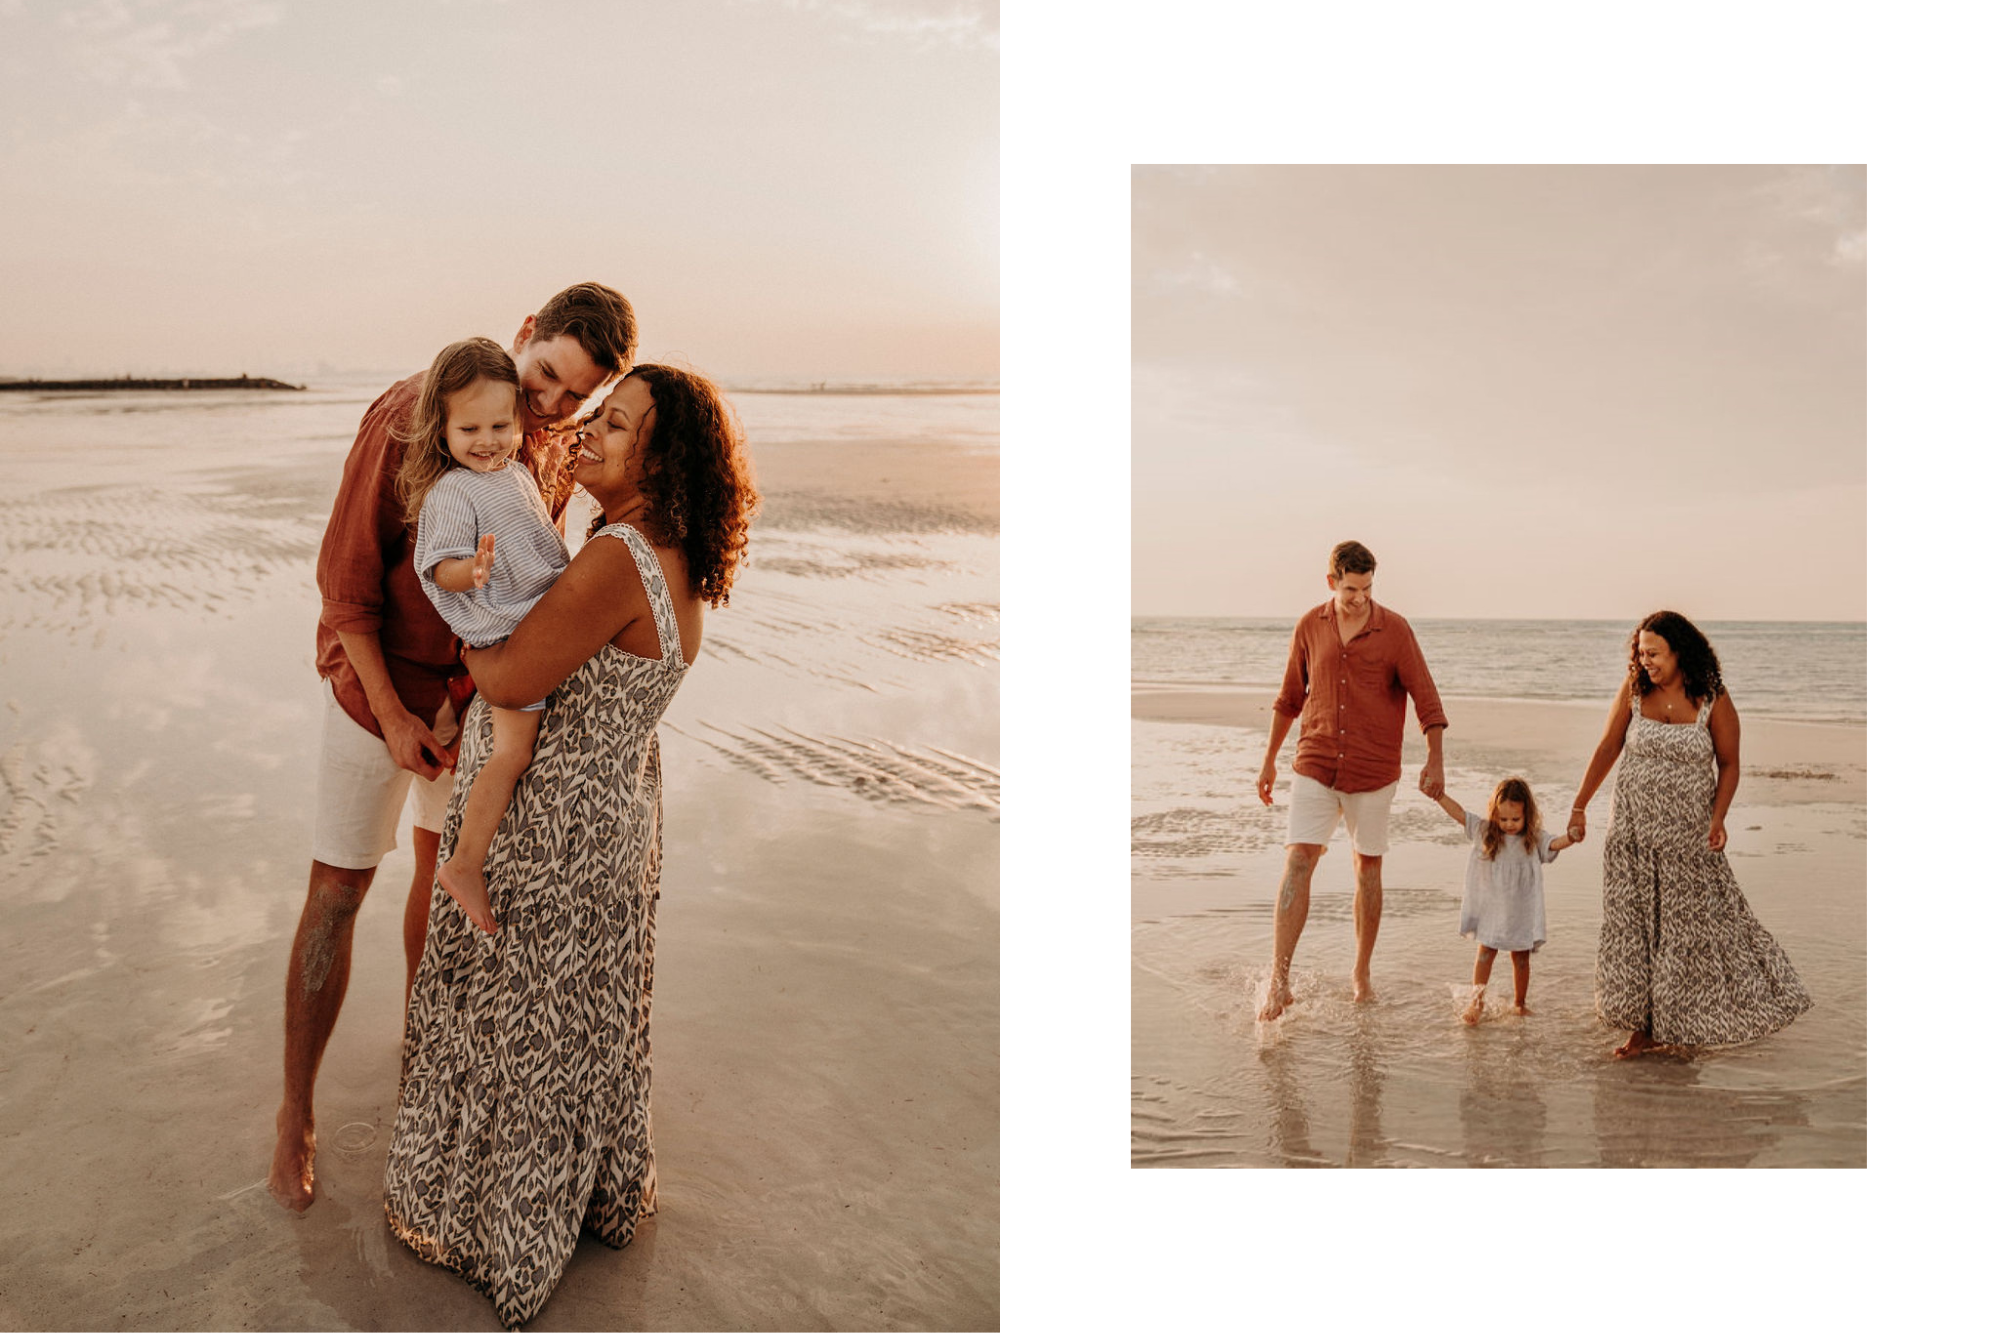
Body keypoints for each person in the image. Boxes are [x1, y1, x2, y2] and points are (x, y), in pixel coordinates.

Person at [383, 365, 757, 1328]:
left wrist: (471, 640)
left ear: (659, 461)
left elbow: (512, 679)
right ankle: (592, 1195)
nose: (587, 431)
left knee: (521, 1026)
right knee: (578, 1021)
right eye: (596, 413)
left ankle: (500, 1226)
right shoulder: (664, 551)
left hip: (554, 830)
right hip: (612, 816)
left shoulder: (618, 557)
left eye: (617, 425)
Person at [268, 283, 638, 1213]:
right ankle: (294, 1114)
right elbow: (346, 590)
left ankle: (419, 1078)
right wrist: (396, 716)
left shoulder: (541, 443)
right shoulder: (408, 416)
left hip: (469, 700)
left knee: (443, 891)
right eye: (546, 375)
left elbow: (524, 591)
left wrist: (480, 697)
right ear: (525, 332)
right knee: (338, 890)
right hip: (373, 692)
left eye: (576, 396)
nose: (551, 405)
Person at [1565, 611, 1812, 1058]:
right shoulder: (1634, 691)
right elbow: (1607, 747)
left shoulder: (1712, 698)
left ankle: (1680, 1024)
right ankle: (1642, 1028)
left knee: (1687, 932)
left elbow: (1729, 764)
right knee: (1635, 930)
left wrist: (1719, 819)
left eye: (1654, 653)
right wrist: (1579, 805)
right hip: (1632, 836)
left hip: (1688, 840)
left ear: (1680, 652)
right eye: (1641, 653)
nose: (1646, 662)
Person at [400, 337, 572, 936]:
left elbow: (540, 543)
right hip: (505, 634)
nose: (487, 440)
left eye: (500, 425)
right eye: (469, 428)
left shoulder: (515, 474)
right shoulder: (453, 490)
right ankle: (465, 864)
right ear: (443, 430)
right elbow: (437, 566)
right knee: (512, 753)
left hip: (536, 624)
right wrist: (470, 571)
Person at [1256, 540, 1447, 1020]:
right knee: (1298, 860)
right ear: (1331, 582)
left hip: (1373, 770)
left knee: (1368, 869)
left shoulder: (1395, 630)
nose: (1360, 598)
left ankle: (1360, 972)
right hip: (1315, 763)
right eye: (1350, 589)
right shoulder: (1309, 626)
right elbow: (1289, 698)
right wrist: (1269, 760)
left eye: (1367, 589)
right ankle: (1279, 981)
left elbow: (1426, 698)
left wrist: (1435, 760)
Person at [1428, 776, 1575, 1024]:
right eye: (1503, 818)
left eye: (1515, 819)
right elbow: (1460, 815)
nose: (1508, 824)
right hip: (1492, 908)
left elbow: (1554, 844)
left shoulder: (1533, 839)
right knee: (1486, 952)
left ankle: (1520, 1003)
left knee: (1521, 958)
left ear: (1527, 815)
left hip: (1521, 910)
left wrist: (1571, 837)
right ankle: (1476, 1003)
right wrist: (1439, 796)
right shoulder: (1485, 832)